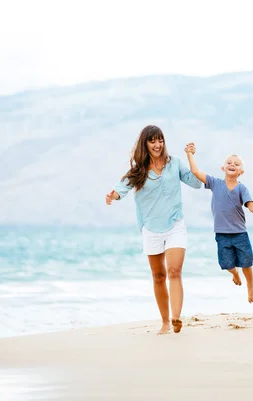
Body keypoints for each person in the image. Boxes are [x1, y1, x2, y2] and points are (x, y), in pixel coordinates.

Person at [105, 125, 203, 334]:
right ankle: (165, 322)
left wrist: (190, 156)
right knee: (158, 276)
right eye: (153, 141)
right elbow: (120, 189)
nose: (158, 145)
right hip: (150, 228)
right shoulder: (138, 171)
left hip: (175, 224)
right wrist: (112, 196)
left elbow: (196, 183)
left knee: (174, 271)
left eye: (160, 140)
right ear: (145, 144)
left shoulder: (174, 163)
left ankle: (176, 318)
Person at [185, 142, 253, 303]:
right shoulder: (215, 183)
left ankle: (250, 287)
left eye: (236, 164)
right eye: (229, 163)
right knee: (226, 264)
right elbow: (195, 171)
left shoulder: (242, 189)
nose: (232, 165)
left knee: (246, 263)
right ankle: (234, 274)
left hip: (240, 233)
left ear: (241, 171)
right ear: (223, 168)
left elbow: (251, 205)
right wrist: (190, 154)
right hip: (221, 234)